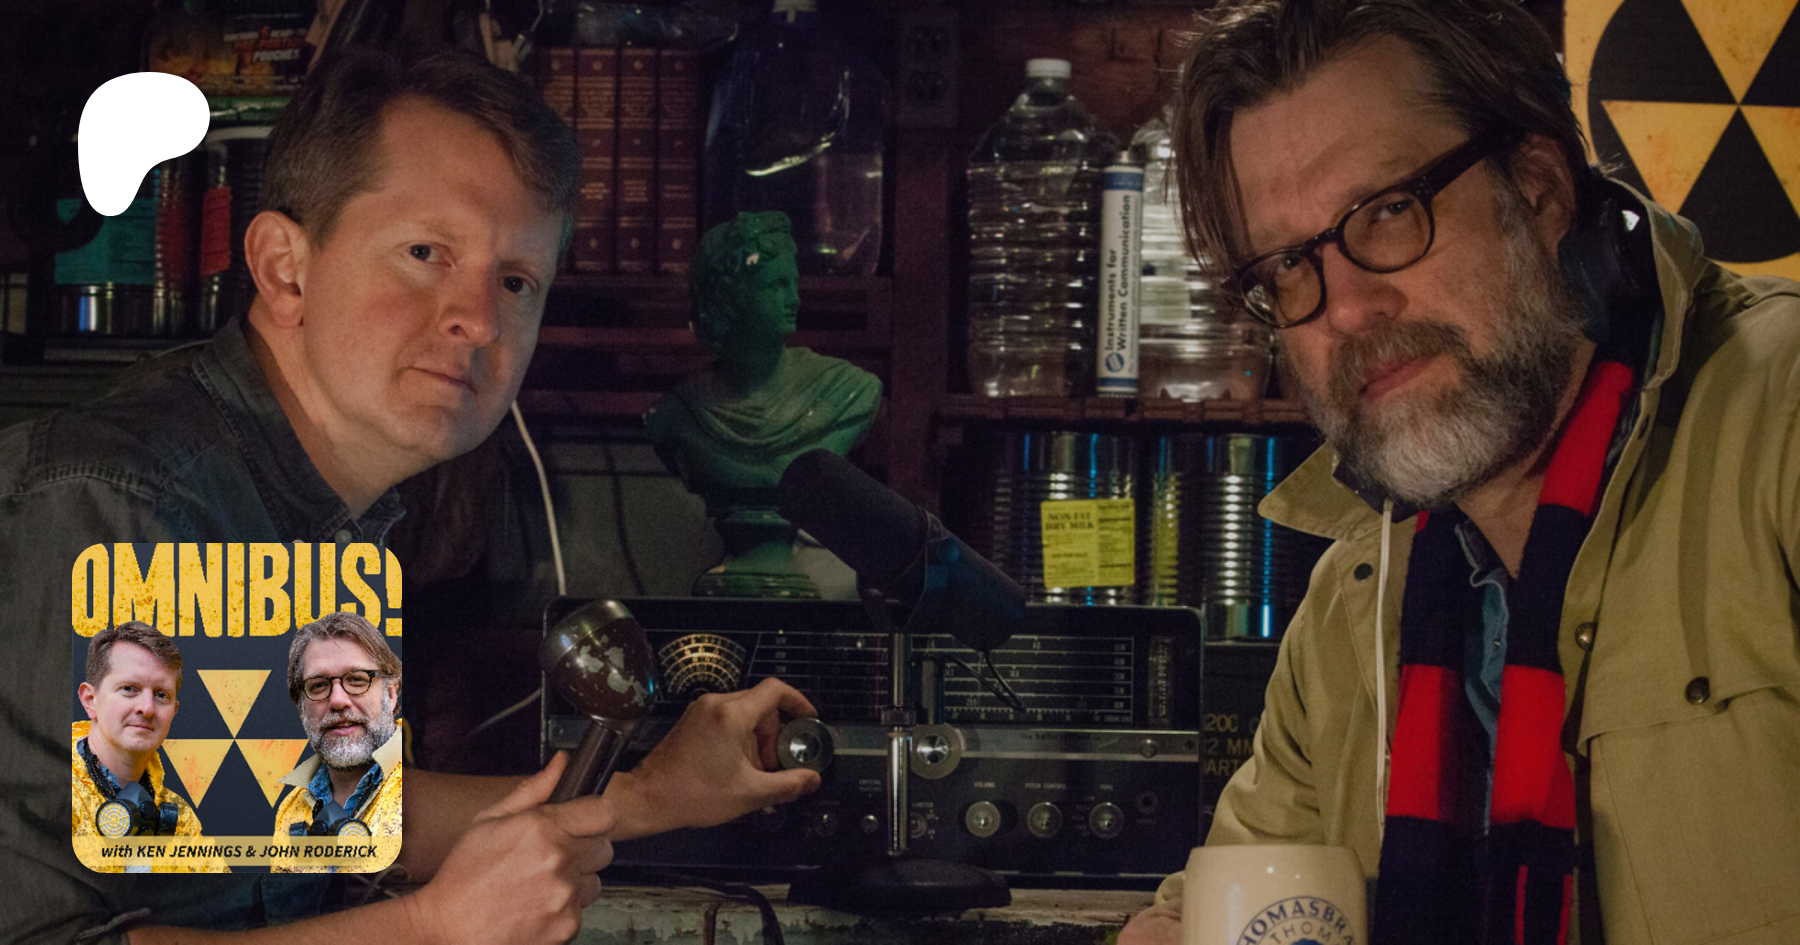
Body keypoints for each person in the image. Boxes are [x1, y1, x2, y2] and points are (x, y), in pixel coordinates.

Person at [0, 46, 821, 945]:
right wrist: (436, 925)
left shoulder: (324, 510)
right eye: (426, 252)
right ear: (284, 268)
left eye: (516, 281)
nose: (479, 318)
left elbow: (303, 807)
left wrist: (654, 794)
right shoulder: (123, 507)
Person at [1120, 2, 1800, 944]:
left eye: (1389, 211)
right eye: (1288, 266)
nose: (1345, 310)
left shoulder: (1781, 422)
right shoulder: (1352, 605)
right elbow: (1237, 895)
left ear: (1539, 187)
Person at [645, 210, 881, 596]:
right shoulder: (678, 416)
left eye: (794, 283)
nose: (794, 299)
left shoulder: (847, 392)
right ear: (731, 299)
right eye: (776, 285)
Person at [71, 622, 229, 874]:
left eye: (161, 695)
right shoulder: (46, 787)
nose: (147, 708)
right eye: (129, 689)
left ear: (174, 711)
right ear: (90, 700)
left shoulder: (182, 823)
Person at [270, 613, 404, 872]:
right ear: (301, 708)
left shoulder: (423, 786)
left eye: (357, 679)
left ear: (390, 694)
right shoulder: (290, 810)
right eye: (319, 686)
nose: (338, 700)